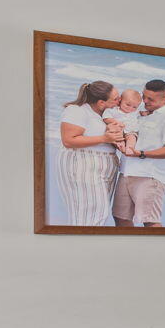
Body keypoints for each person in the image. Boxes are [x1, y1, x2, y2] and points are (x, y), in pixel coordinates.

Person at [113, 78, 165, 229]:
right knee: (120, 219)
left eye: (150, 99)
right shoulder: (138, 113)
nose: (145, 101)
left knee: (150, 221)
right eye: (144, 96)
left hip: (150, 176)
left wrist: (141, 153)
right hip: (126, 172)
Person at [55, 80, 122, 225]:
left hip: (105, 169)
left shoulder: (107, 115)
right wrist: (105, 138)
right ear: (101, 103)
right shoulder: (77, 110)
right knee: (89, 214)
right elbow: (68, 140)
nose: (119, 101)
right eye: (116, 99)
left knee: (100, 214)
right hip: (82, 165)